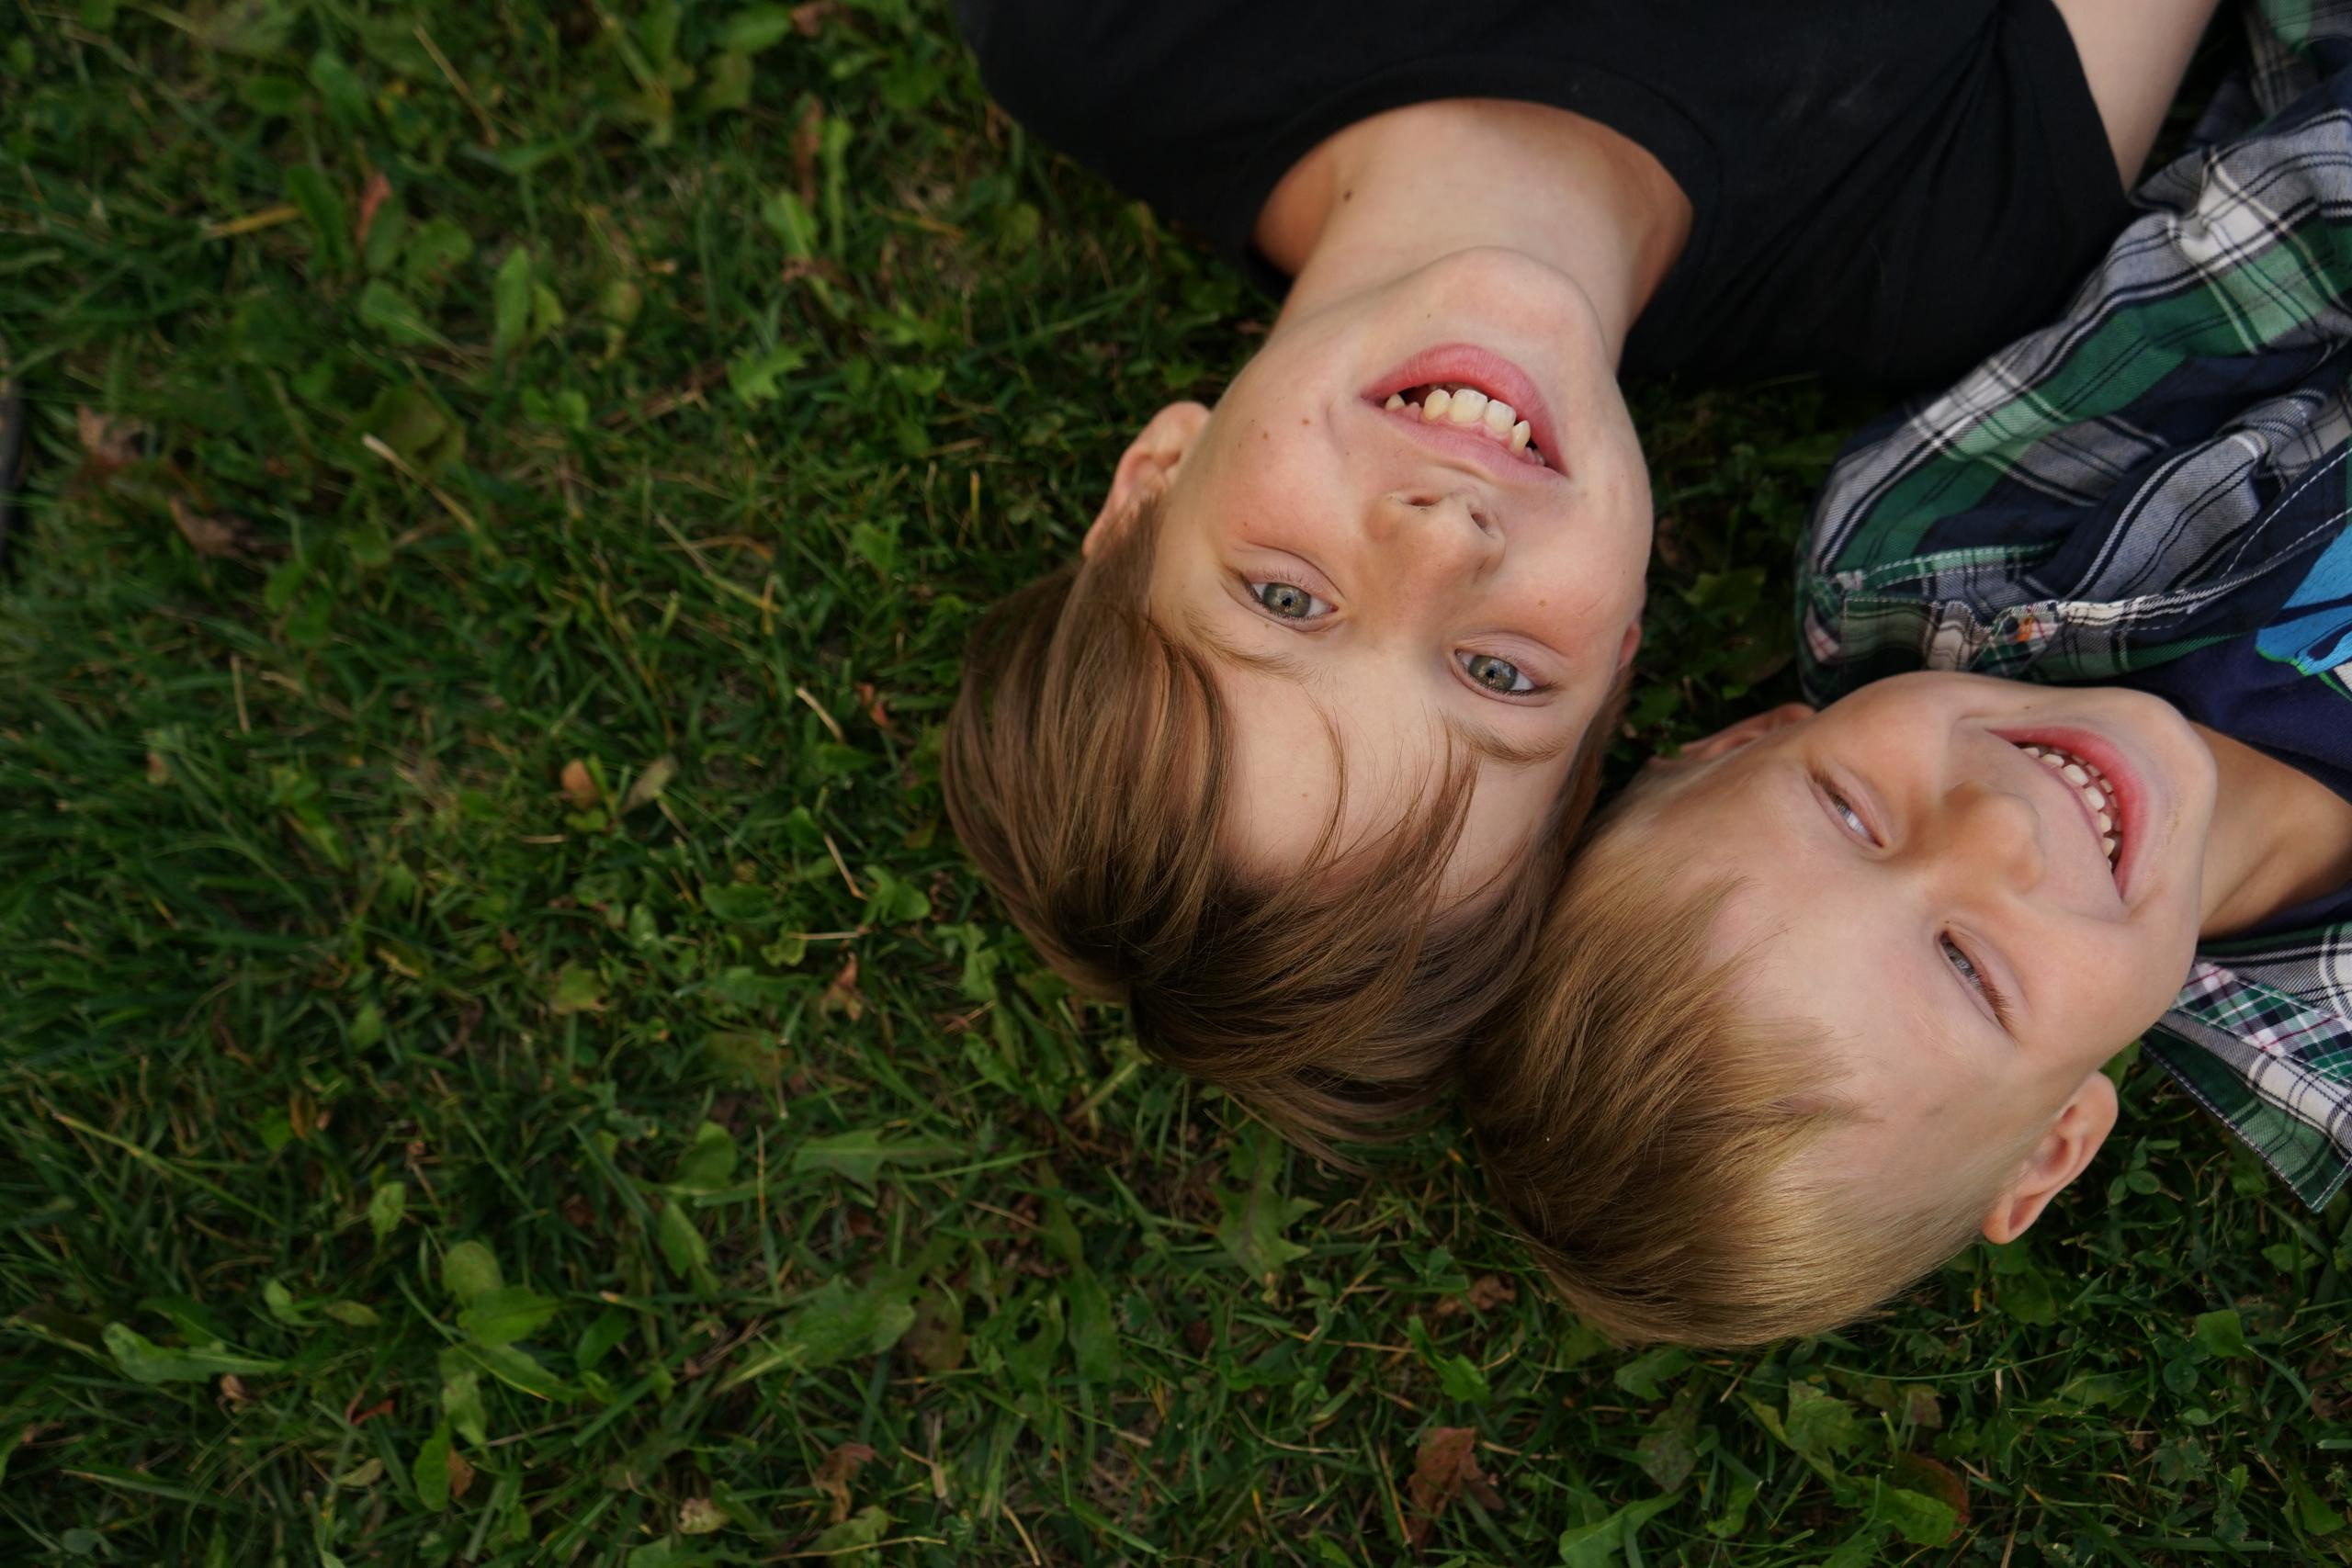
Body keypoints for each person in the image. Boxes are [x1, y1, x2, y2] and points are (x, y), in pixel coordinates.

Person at [942, 0, 2221, 1141]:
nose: (1444, 542)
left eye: (1287, 599)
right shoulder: (1944, 238)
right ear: (1619, 652)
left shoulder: (1093, 29)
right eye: (1498, 674)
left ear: (1151, 486)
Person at [1462, 5, 2352, 1347]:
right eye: (1972, 972)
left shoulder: (1939, 558)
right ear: (2053, 1144)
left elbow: (2268, 251)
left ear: (1749, 737)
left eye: (1849, 812)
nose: (1994, 827)